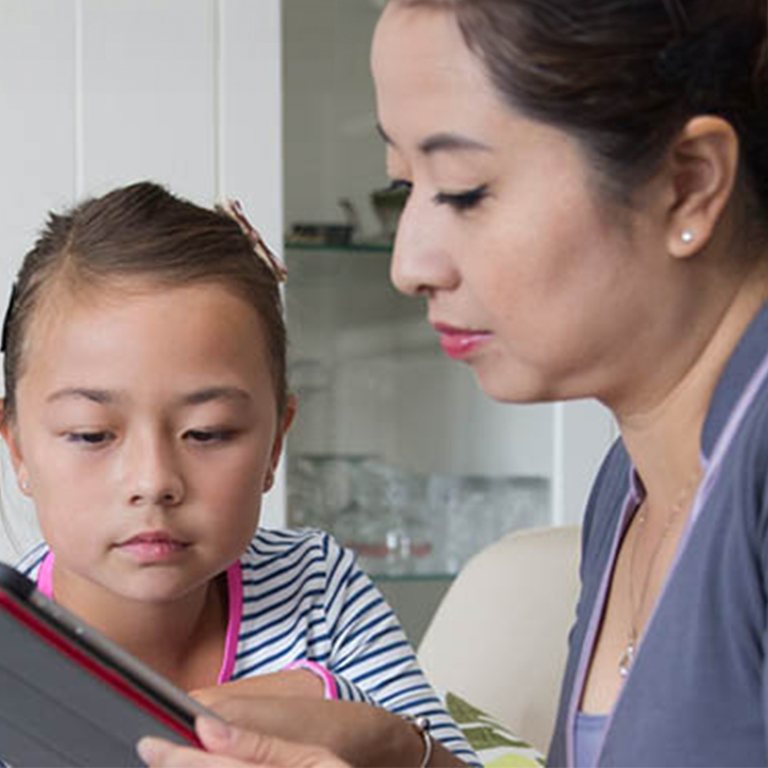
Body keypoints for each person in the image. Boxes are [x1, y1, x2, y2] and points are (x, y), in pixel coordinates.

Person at [142, 0, 768, 765]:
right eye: (405, 188)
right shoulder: (630, 488)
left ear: (688, 184)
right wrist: (406, 755)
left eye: (465, 190)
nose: (411, 265)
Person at [0, 181, 476, 768]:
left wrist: (375, 733)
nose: (153, 481)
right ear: (17, 447)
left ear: (276, 442)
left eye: (208, 433)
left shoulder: (315, 589)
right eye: (92, 434)